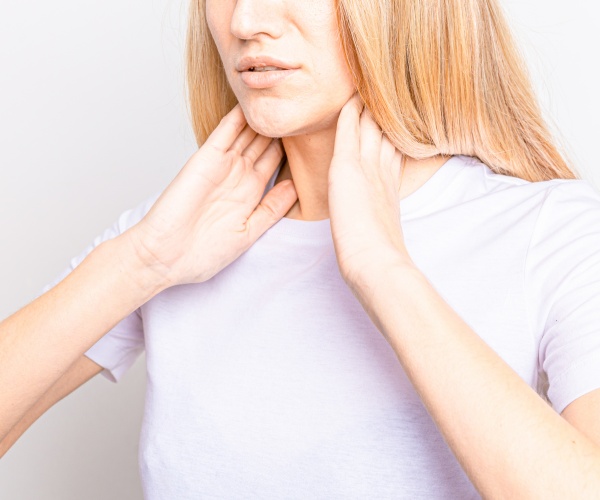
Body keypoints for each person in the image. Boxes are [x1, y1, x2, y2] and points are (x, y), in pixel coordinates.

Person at [1, 0, 600, 497]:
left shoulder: (552, 232)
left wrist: (382, 269)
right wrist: (141, 265)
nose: (244, 21)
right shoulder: (178, 236)